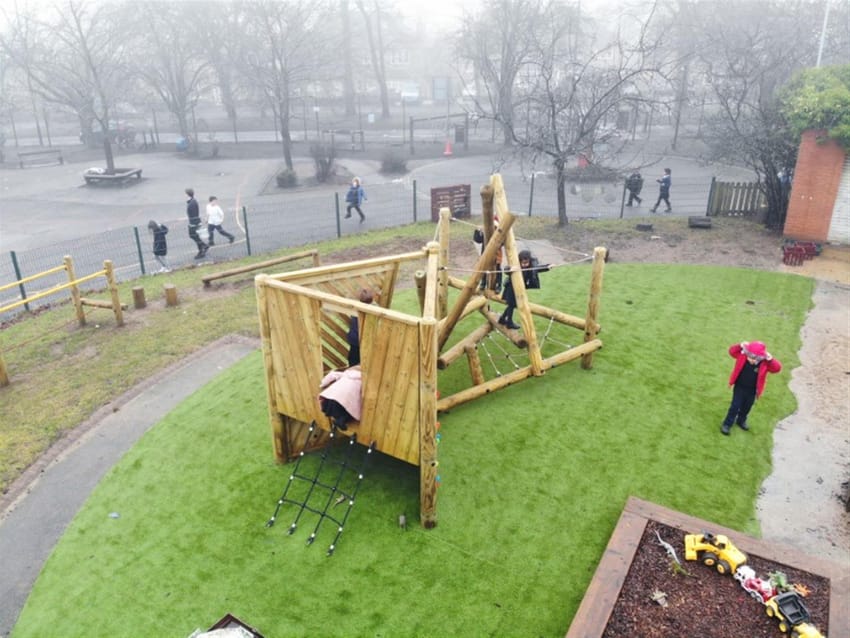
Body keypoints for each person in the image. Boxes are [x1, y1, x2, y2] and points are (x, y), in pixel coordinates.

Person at [721, 340, 782, 436]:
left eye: (755, 358)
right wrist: (740, 346)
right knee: (735, 406)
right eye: (750, 357)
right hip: (739, 387)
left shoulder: (765, 363)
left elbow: (777, 369)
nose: (752, 360)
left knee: (747, 407)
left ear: (761, 357)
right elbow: (731, 352)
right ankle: (727, 424)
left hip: (752, 390)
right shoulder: (742, 356)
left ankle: (741, 421)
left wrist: (771, 359)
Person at [498, 249, 550, 330]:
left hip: (519, 287)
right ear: (520, 260)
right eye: (523, 263)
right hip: (511, 287)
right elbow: (506, 268)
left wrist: (547, 267)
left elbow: (537, 269)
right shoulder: (516, 264)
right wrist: (510, 269)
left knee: (512, 305)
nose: (525, 265)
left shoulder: (531, 266)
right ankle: (509, 322)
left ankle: (502, 319)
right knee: (512, 305)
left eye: (526, 263)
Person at [319, 365, 363, 431]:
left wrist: (322, 384)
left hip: (333, 395)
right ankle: (341, 420)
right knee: (349, 411)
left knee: (332, 405)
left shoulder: (345, 374)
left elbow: (332, 375)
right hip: (347, 399)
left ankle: (329, 412)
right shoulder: (362, 379)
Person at [347, 288, 374, 367]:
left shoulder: (356, 309)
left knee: (353, 359)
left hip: (355, 339)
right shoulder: (373, 311)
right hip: (363, 339)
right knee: (363, 359)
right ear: (372, 300)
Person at [472, 226, 503, 293]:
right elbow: (478, 240)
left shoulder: (500, 233)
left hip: (496, 254)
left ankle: (498, 285)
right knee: (484, 268)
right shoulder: (485, 233)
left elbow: (503, 243)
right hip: (485, 253)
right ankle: (483, 282)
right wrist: (477, 231)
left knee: (498, 269)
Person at [185, 188, 208, 259]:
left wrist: (192, 223)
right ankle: (201, 250)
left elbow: (193, 214)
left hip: (194, 223)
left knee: (193, 235)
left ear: (187, 194)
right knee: (195, 236)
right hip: (195, 222)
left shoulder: (192, 203)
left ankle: (203, 246)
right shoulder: (192, 201)